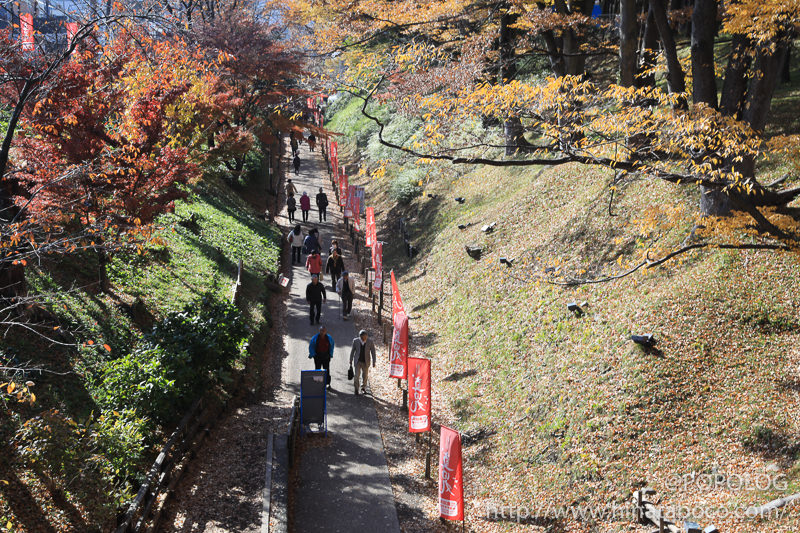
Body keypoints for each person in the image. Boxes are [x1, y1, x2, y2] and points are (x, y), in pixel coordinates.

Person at [349, 330, 376, 395]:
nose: (364, 338)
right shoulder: (355, 341)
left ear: (366, 336)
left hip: (366, 362)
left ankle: (363, 388)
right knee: (356, 376)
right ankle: (356, 389)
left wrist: (374, 361)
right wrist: (350, 359)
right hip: (358, 361)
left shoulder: (370, 342)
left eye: (365, 337)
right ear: (360, 336)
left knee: (365, 376)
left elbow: (373, 352)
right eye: (362, 337)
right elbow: (353, 351)